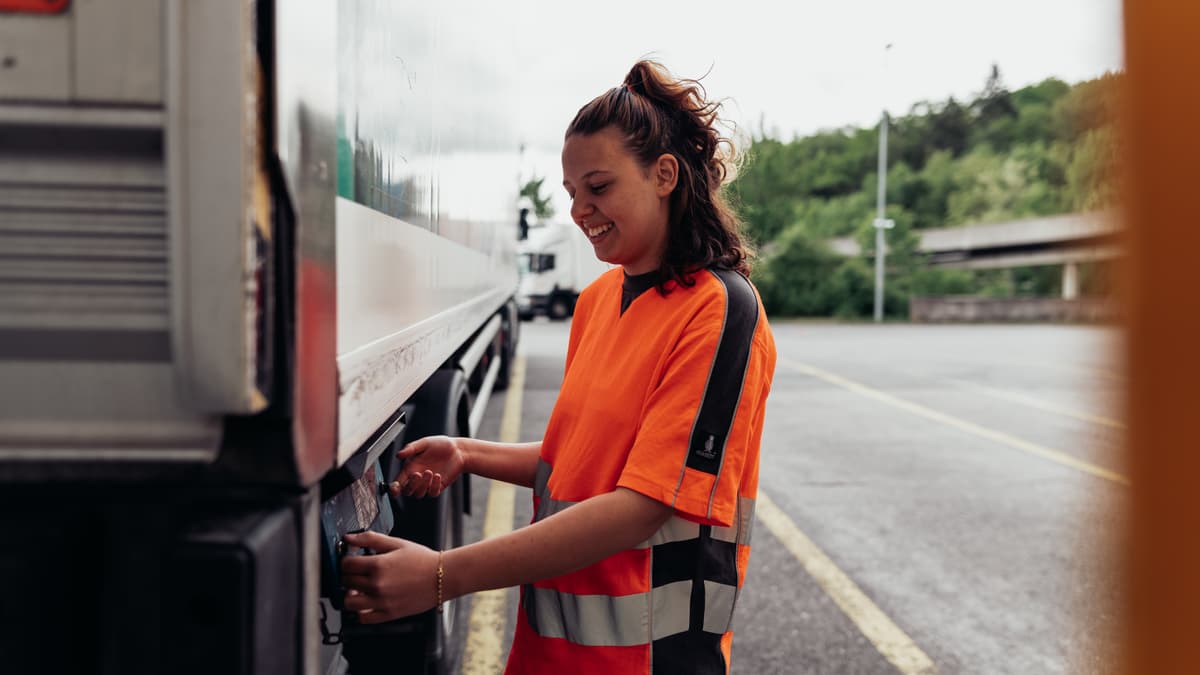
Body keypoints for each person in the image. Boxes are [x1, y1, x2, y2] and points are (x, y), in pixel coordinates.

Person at [341, 59, 776, 674]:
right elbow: (575, 464)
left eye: (598, 187)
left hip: (650, 661)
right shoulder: (600, 300)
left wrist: (441, 576)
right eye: (572, 192)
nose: (579, 210)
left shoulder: (720, 311)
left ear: (665, 175)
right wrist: (468, 452)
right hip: (548, 654)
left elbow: (643, 505)